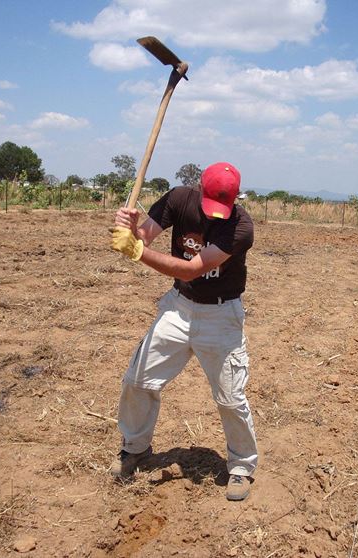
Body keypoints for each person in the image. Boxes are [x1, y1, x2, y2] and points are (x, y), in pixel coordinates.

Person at [109, 162, 257, 502]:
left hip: (221, 314)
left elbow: (192, 269)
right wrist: (132, 232)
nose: (217, 214)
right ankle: (135, 449)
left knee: (231, 398)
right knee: (138, 379)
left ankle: (241, 467)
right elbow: (145, 235)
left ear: (235, 200)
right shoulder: (178, 199)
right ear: (199, 190)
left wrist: (138, 252)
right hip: (180, 307)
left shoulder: (240, 227)